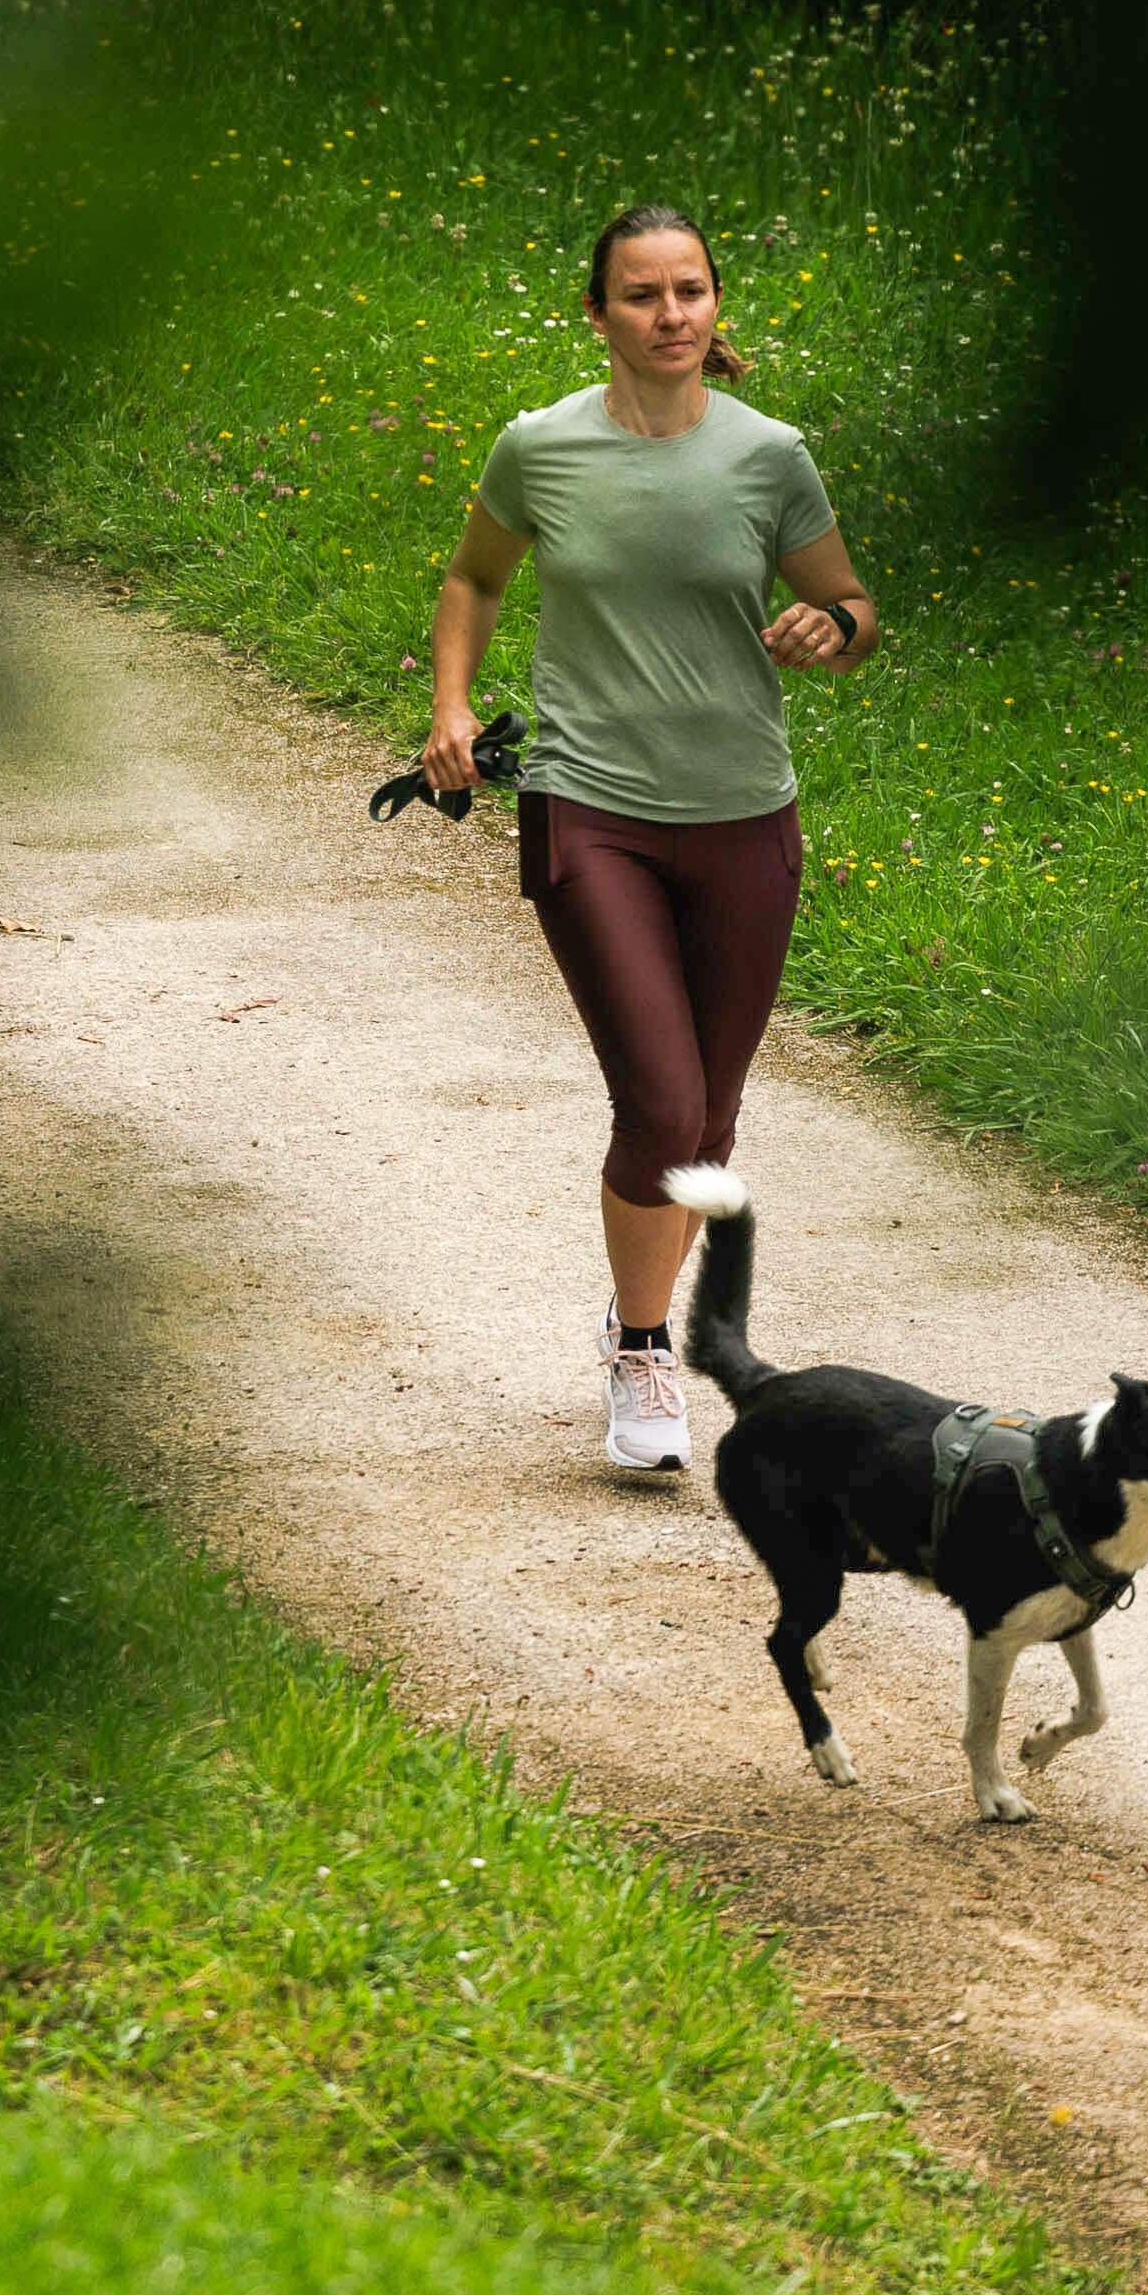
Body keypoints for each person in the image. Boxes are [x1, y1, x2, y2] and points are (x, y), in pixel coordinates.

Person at [427, 201, 881, 1471]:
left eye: (690, 290)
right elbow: (474, 577)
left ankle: (642, 1316)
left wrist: (833, 629)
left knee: (711, 1119)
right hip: (590, 806)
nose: (670, 314)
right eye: (642, 293)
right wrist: (451, 705)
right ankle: (643, 1349)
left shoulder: (770, 457)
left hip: (746, 814)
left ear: (714, 304)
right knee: (666, 1104)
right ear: (599, 313)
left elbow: (851, 604)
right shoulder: (542, 447)